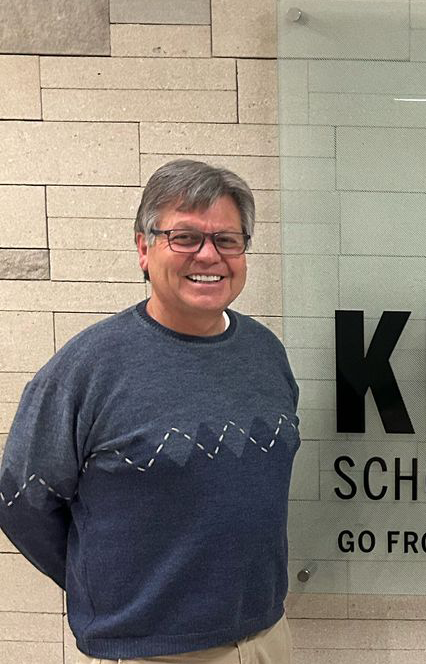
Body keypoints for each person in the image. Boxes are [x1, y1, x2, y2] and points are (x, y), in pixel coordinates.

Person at [0, 159, 300, 662]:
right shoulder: (88, 368)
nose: (209, 255)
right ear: (143, 249)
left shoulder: (265, 353)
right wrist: (111, 592)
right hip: (149, 652)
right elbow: (21, 499)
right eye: (184, 237)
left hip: (267, 638)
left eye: (227, 239)